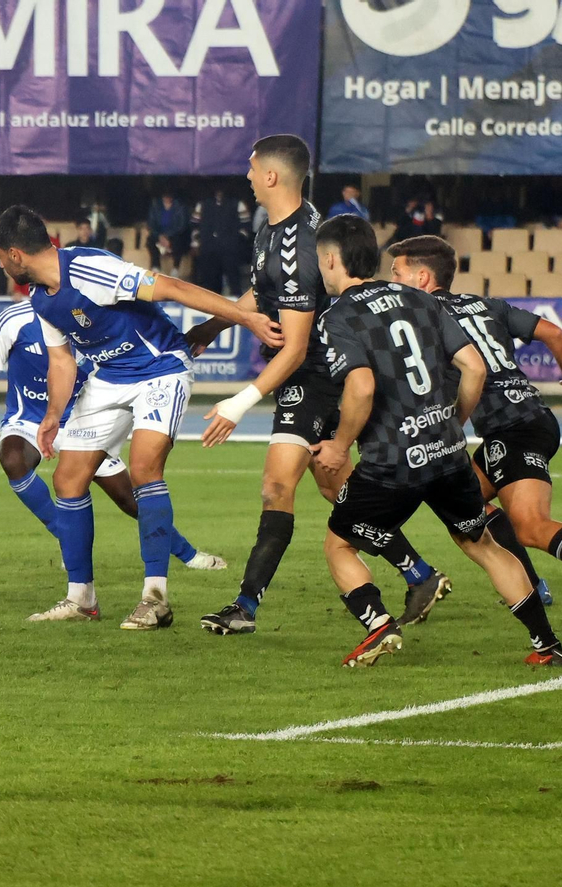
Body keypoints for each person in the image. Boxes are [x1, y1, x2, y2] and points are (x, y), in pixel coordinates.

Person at [187, 135, 448, 637]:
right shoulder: (277, 229)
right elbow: (264, 293)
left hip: (316, 378)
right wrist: (217, 324)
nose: (245, 177)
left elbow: (297, 347)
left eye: (251, 168)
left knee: (276, 486)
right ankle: (419, 572)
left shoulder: (299, 243)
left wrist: (238, 403)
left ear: (270, 176)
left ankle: (244, 608)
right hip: (313, 375)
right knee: (337, 487)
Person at [0, 205, 281, 629]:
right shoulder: (40, 299)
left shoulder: (89, 269)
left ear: (15, 254)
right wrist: (52, 415)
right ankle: (80, 598)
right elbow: (62, 361)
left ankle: (155, 598)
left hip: (161, 367)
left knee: (143, 469)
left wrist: (246, 317)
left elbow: (173, 287)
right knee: (67, 478)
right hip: (110, 377)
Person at [311, 215, 562, 667]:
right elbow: (474, 366)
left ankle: (379, 626)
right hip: (448, 454)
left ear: (331, 259)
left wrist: (338, 443)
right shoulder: (419, 299)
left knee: (339, 542)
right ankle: (547, 645)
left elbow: (363, 386)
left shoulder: (339, 316)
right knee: (482, 545)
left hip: (393, 460)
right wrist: (454, 421)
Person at [387, 235, 562, 620]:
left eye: (397, 273)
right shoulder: (487, 305)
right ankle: (529, 582)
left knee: (529, 525)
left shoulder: (420, 315)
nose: (392, 281)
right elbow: (554, 334)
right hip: (529, 416)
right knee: (465, 505)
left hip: (512, 429)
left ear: (423, 278)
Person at [0, 298, 226, 572]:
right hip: (28, 421)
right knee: (12, 457)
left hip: (80, 422)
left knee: (130, 499)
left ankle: (188, 554)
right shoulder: (15, 319)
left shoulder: (93, 320)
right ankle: (64, 534)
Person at [191, 188, 251, 296]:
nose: (219, 191)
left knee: (234, 282)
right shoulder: (203, 204)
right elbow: (195, 226)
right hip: (208, 250)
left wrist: (235, 242)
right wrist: (196, 243)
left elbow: (246, 227)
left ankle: (237, 307)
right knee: (209, 284)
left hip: (230, 251)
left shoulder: (237, 204)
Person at [146, 191, 191, 274]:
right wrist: (160, 236)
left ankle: (175, 268)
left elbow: (181, 225)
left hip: (175, 234)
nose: (167, 198)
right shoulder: (156, 205)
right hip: (159, 235)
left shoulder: (180, 206)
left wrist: (167, 237)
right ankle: (156, 267)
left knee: (179, 241)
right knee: (150, 241)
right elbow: (151, 224)